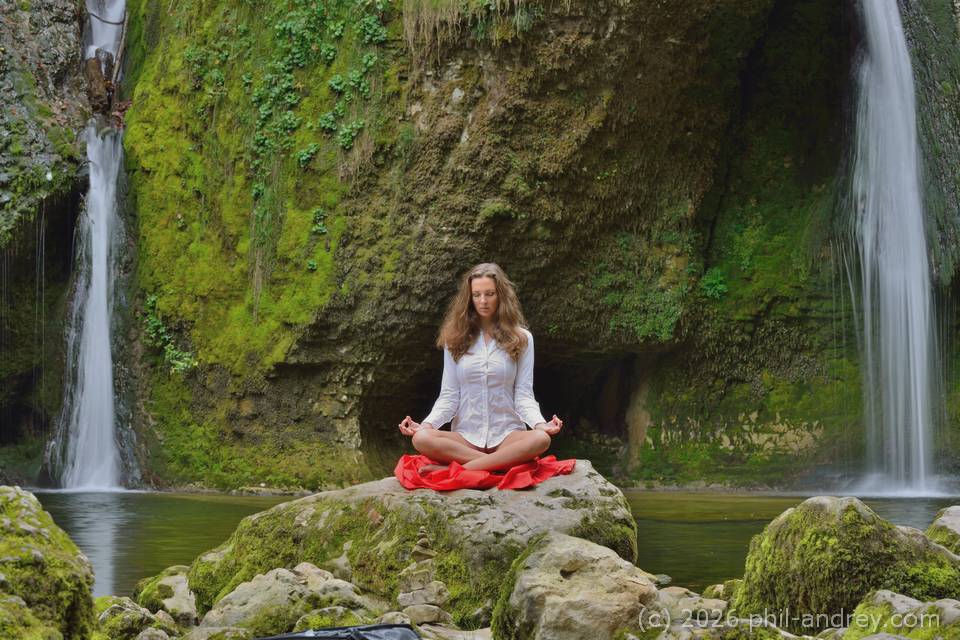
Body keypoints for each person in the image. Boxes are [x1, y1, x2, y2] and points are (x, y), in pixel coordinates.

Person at [399, 263, 563, 474]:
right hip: (466, 437)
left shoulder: (522, 338)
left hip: (507, 435)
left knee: (541, 439)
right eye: (476, 295)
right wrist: (427, 425)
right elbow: (449, 396)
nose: (483, 301)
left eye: (489, 294)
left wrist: (540, 424)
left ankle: (450, 471)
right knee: (422, 438)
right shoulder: (454, 340)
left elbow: (523, 395)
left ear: (501, 296)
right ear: (469, 298)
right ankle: (499, 464)